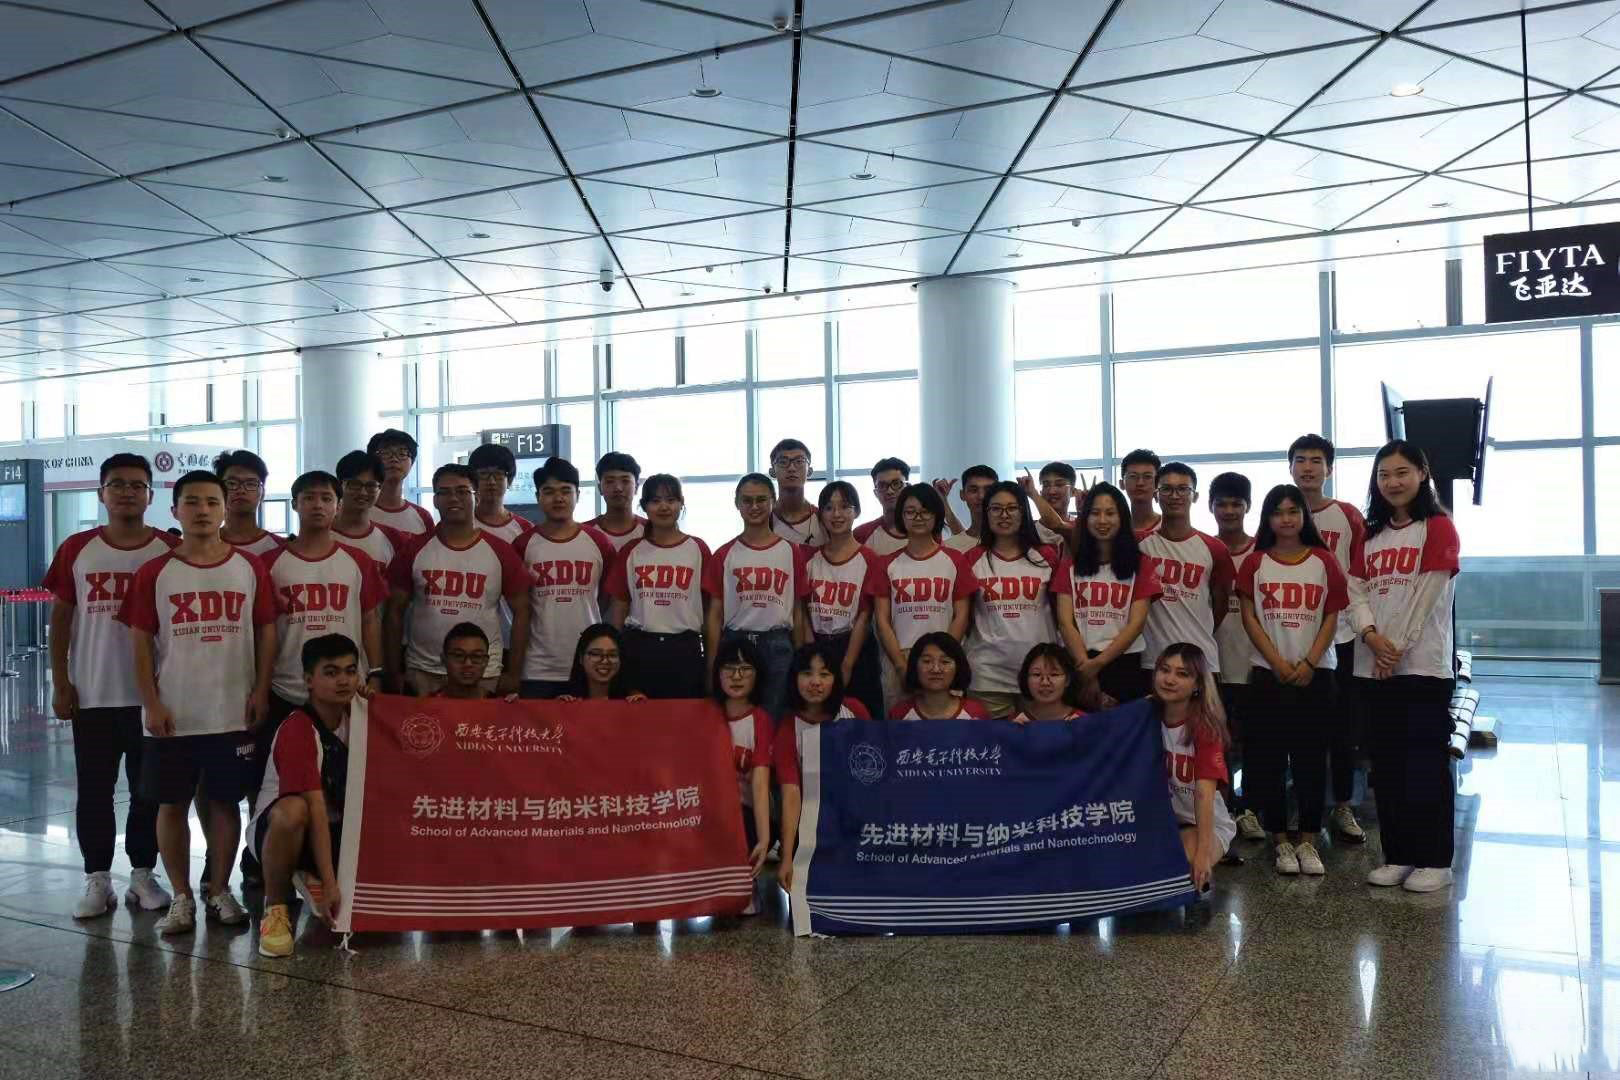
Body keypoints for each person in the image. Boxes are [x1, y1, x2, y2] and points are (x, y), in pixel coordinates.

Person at [117, 470, 277, 935]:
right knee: (172, 804)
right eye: (192, 502)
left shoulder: (249, 567)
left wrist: (261, 690)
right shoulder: (155, 572)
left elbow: (266, 631)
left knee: (224, 803)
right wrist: (151, 703)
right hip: (174, 713)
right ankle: (181, 897)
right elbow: (140, 644)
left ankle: (219, 889)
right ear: (175, 510)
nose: (202, 510)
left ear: (224, 509)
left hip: (231, 710)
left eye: (211, 502)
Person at [44, 453, 177, 919]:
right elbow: (61, 620)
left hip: (152, 698)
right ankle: (97, 877)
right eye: (117, 484)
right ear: (101, 493)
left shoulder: (168, 549)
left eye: (137, 485)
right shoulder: (77, 548)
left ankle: (142, 874)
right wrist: (61, 682)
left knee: (148, 792)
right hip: (93, 693)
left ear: (150, 495)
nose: (127, 492)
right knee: (95, 791)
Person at [252, 470, 386, 884]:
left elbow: (370, 619)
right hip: (286, 690)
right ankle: (266, 865)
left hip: (346, 693)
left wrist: (375, 672)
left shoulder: (357, 561)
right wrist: (260, 687)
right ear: (294, 504)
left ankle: (330, 866)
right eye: (308, 497)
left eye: (326, 498)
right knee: (278, 787)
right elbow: (263, 630)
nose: (318, 505)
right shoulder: (270, 563)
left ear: (338, 505)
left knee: (347, 786)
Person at [1347, 440, 1461, 894]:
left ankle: (1435, 859)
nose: (1392, 482)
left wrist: (1393, 649)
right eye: (1383, 474)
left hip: (1422, 668)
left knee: (1424, 766)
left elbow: (1426, 595)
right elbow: (1355, 591)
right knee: (1388, 768)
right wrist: (1371, 637)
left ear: (1422, 473)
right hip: (1373, 666)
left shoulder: (1438, 527)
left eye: (1401, 472)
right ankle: (1398, 854)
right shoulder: (1370, 534)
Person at [1236, 484, 1348, 877]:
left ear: (1304, 516)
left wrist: (1310, 662)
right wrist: (1277, 663)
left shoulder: (1324, 561)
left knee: (1311, 760)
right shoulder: (1255, 563)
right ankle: (1281, 840)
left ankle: (1309, 841)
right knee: (1269, 761)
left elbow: (1332, 615)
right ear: (1267, 518)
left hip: (1316, 675)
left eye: (1293, 511)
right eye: (1277, 512)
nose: (1286, 519)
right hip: (1269, 675)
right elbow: (1249, 617)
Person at [384, 464, 531, 697]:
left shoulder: (501, 551)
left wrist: (514, 673)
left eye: (462, 491)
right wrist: (392, 671)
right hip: (424, 672)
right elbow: (394, 611)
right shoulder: (414, 548)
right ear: (435, 500)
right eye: (444, 492)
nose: (454, 498)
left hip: (483, 674)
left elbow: (523, 611)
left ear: (477, 496)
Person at [250, 633, 355, 958]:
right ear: (308, 680)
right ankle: (275, 909)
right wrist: (331, 883)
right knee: (293, 811)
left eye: (350, 671)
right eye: (331, 672)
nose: (343, 681)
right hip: (282, 829)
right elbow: (316, 807)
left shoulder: (362, 718)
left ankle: (310, 873)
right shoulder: (298, 728)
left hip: (336, 828)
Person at [1289, 433, 1369, 845]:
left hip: (1341, 637)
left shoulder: (1347, 515)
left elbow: (1361, 575)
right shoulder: (1282, 512)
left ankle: (1343, 804)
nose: (1308, 467)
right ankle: (1302, 808)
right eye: (1300, 460)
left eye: (1316, 460)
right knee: (1301, 729)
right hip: (1294, 639)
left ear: (1329, 469)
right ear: (1290, 467)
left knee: (1343, 728)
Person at [704, 473, 811, 716]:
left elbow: (797, 610)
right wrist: (711, 662)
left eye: (761, 500)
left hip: (778, 644)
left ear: (773, 501)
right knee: (735, 717)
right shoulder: (724, 554)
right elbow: (714, 615)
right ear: (737, 503)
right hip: (735, 643)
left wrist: (800, 657)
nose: (754, 507)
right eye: (747, 500)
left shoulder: (791, 551)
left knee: (776, 716)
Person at [868, 482, 977, 713]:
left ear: (936, 515)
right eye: (910, 511)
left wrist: (944, 657)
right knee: (901, 724)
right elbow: (882, 620)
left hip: (946, 657)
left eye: (925, 511)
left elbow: (961, 615)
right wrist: (900, 665)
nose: (918, 517)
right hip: (899, 656)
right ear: (901, 516)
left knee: (947, 722)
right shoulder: (886, 563)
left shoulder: (956, 560)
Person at [774, 641, 872, 892]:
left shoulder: (855, 710)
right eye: (807, 673)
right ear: (794, 679)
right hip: (810, 826)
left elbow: (874, 777)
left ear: (836, 679)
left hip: (856, 821)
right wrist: (787, 857)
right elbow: (791, 794)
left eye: (824, 674)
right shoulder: (787, 727)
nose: (815, 682)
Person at [515, 458, 616, 699]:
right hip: (538, 667)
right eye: (549, 492)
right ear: (538, 496)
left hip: (589, 666)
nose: (558, 498)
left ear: (577, 495)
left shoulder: (599, 542)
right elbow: (519, 605)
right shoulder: (523, 544)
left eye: (565, 491)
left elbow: (604, 597)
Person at [604, 474, 712, 699]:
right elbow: (619, 609)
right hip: (639, 649)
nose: (664, 507)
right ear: (644, 506)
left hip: (685, 650)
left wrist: (712, 662)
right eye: (655, 501)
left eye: (671, 500)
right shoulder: (632, 551)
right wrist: (615, 654)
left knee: (682, 718)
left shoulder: (698, 548)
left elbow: (710, 610)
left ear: (681, 503)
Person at [962, 481, 1063, 718]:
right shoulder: (971, 558)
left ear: (1023, 511)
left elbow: (1062, 615)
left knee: (1040, 739)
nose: (1004, 515)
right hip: (987, 674)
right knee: (992, 741)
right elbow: (963, 617)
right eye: (996, 509)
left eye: (1011, 508)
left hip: (1041, 673)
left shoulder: (1046, 556)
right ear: (986, 513)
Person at [1059, 482, 1160, 706]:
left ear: (1122, 518)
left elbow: (1136, 624)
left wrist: (1097, 665)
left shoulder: (1142, 565)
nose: (1102, 520)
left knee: (1122, 727)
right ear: (1085, 518)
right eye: (1095, 513)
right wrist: (1086, 668)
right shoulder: (1069, 565)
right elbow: (1066, 623)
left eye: (1110, 513)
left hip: (1124, 663)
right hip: (1078, 661)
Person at [1149, 643, 1236, 893]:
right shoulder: (1146, 715)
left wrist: (1202, 855)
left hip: (1204, 823)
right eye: (1164, 670)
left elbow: (1204, 795)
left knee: (1183, 865)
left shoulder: (1205, 728)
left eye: (1182, 674)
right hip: (1161, 821)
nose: (1169, 679)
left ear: (1197, 684)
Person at [1138, 463, 1235, 681]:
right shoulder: (1140, 544)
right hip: (1152, 661)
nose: (1175, 496)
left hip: (1200, 660)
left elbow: (1221, 605)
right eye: (1167, 489)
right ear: (1156, 495)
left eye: (1183, 489)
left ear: (1195, 496)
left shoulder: (1215, 549)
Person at [1208, 471, 1263, 843]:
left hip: (1254, 663)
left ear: (1247, 507)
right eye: (1222, 504)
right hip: (1213, 665)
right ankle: (1222, 810)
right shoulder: (1202, 550)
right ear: (1210, 507)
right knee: (1217, 741)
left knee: (1256, 741)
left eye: (1236, 504)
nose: (1229, 511)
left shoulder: (1262, 553)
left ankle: (1250, 810)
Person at [805, 481, 883, 720]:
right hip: (818, 646)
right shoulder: (809, 560)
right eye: (829, 508)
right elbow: (801, 612)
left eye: (845, 506)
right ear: (821, 514)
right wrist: (812, 653)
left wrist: (847, 664)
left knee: (861, 719)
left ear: (856, 511)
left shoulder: (870, 559)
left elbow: (864, 616)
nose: (836, 514)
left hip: (856, 649)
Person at [711, 637, 773, 913]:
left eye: (745, 669)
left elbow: (760, 784)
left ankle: (746, 885)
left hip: (745, 814)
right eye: (729, 668)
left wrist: (764, 839)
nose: (737, 676)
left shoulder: (760, 719)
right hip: (708, 814)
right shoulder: (704, 713)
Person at [333, 449, 410, 572]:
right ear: (339, 485)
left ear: (380, 488)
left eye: (371, 486)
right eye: (354, 484)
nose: (363, 492)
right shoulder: (320, 534)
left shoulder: (395, 540)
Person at [888, 632, 989, 721]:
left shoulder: (975, 713)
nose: (936, 669)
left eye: (945, 662)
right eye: (927, 661)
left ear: (958, 667)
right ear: (914, 666)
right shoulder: (899, 714)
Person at [215, 450, 284, 558]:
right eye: (232, 483)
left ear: (262, 493)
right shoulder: (202, 545)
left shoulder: (280, 548)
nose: (241, 490)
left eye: (251, 484)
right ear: (219, 490)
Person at [366, 428, 434, 536]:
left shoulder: (423, 517)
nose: (394, 459)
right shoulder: (358, 511)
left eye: (402, 454)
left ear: (412, 463)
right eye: (385, 453)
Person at [556, 624, 646, 702]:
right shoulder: (566, 700)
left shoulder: (632, 700)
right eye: (596, 654)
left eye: (612, 655)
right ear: (581, 658)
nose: (605, 660)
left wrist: (641, 707)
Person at [469, 443, 535, 545]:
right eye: (483, 474)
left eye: (498, 474)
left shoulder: (526, 529)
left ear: (509, 481)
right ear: (473, 481)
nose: (491, 481)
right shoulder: (462, 525)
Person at [768, 438, 826, 547]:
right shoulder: (764, 518)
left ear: (809, 471)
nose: (791, 468)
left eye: (799, 461)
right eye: (783, 462)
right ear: (772, 472)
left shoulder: (823, 519)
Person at [1009, 643, 1086, 724]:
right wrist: (1015, 730)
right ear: (1026, 679)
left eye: (1054, 674)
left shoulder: (1083, 720)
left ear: (1067, 680)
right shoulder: (1014, 722)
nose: (1045, 682)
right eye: (1037, 674)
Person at [436, 623, 517, 701]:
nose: (468, 664)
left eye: (476, 656)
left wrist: (515, 707)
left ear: (486, 661)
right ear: (444, 659)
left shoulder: (499, 704)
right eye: (459, 655)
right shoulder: (430, 704)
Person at [588, 452, 645, 555]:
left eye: (625, 481)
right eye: (610, 481)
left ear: (636, 487)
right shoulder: (585, 532)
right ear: (599, 488)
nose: (618, 488)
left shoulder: (652, 531)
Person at [853, 457, 911, 556]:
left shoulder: (924, 531)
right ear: (876, 493)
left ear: (908, 487)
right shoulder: (861, 534)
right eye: (882, 486)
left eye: (896, 484)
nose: (890, 491)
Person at [940, 465, 998, 552]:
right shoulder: (950, 547)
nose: (981, 496)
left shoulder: (1012, 543)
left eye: (988, 490)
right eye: (974, 490)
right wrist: (942, 499)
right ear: (962, 495)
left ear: (998, 494)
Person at [1120, 449, 1162, 537]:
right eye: (1133, 476)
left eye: (1147, 476)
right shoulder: (1114, 528)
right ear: (1122, 484)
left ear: (1158, 483)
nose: (1140, 483)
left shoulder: (1168, 527)